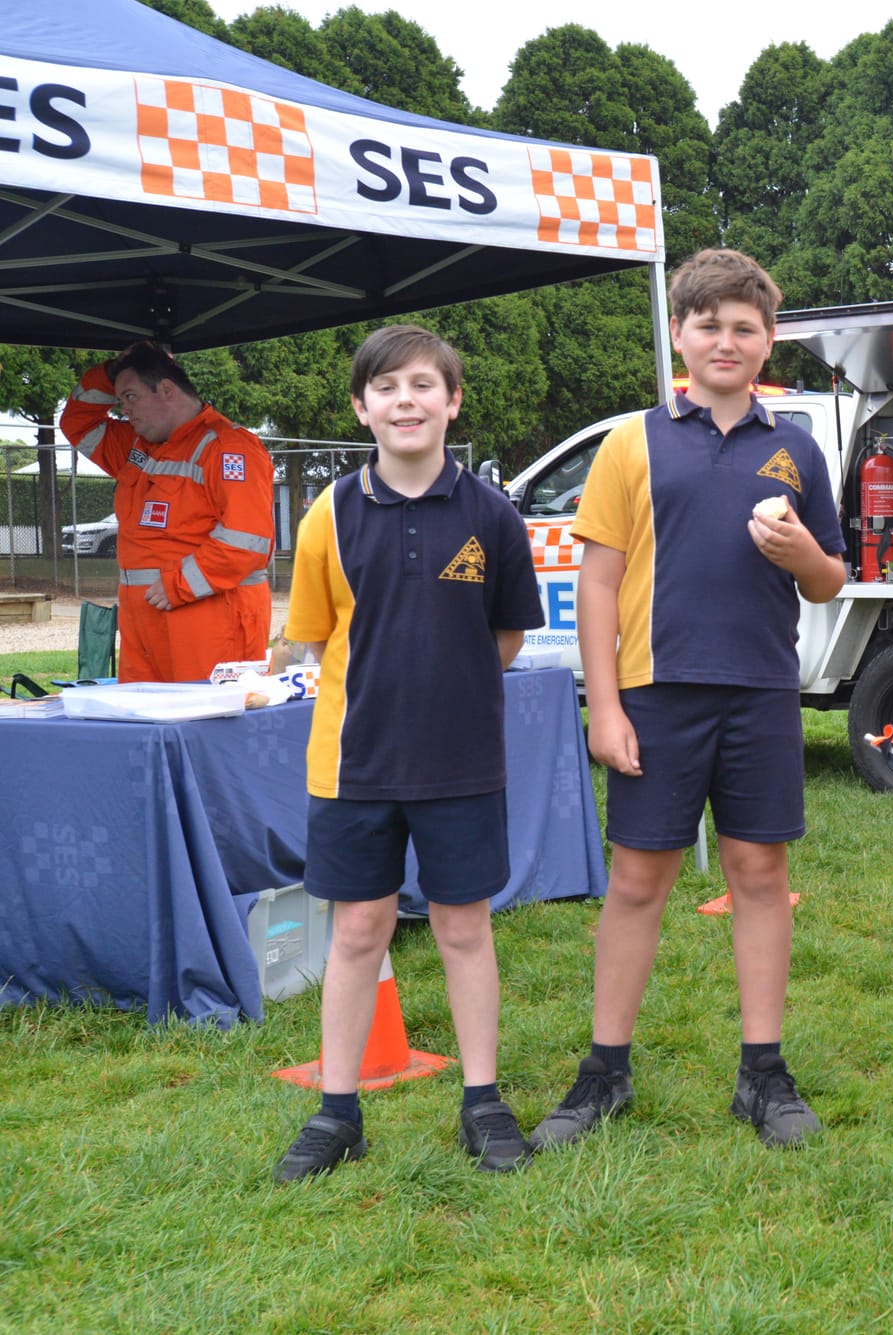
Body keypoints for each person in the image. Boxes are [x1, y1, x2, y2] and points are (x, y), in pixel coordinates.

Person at [529, 249, 845, 1152]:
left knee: (760, 878)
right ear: (679, 334)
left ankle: (763, 1072)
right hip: (656, 696)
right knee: (638, 881)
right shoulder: (632, 440)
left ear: (767, 339)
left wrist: (797, 556)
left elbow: (828, 581)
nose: (725, 341)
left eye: (744, 327)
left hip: (760, 693)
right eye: (708, 325)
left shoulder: (796, 448)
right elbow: (599, 581)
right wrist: (607, 706)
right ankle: (604, 1069)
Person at [271, 325, 545, 1181]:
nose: (406, 401)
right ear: (361, 408)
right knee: (357, 929)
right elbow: (313, 640)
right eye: (386, 389)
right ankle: (337, 1112)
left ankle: (483, 1102)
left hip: (463, 761)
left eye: (424, 385)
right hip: (356, 766)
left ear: (452, 401)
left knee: (465, 926)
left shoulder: (491, 514)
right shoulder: (330, 514)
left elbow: (504, 638)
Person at [60, 341, 275, 681]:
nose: (124, 410)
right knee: (143, 724)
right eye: (120, 401)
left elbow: (246, 541)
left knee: (204, 726)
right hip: (144, 623)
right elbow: (77, 422)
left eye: (130, 397)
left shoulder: (228, 448)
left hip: (207, 617)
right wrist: (112, 371)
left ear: (166, 390)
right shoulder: (136, 444)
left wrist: (178, 586)